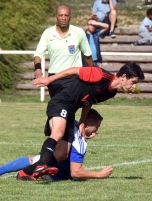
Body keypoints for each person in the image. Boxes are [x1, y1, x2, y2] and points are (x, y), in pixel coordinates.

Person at [16, 62, 145, 180]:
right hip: (62, 102)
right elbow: (74, 70)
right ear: (123, 76)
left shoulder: (111, 93)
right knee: (58, 132)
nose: (134, 87)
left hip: (70, 110)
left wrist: (83, 121)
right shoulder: (100, 75)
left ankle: (24, 174)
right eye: (133, 82)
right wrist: (49, 79)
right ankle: (41, 165)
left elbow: (89, 101)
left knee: (62, 154)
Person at [0, 109, 113, 181]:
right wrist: (99, 174)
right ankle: (30, 174)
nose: (97, 131)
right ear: (87, 124)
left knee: (34, 160)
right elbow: (75, 172)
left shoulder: (70, 126)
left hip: (48, 158)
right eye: (96, 127)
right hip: (52, 174)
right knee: (38, 162)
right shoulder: (80, 143)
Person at [34, 5, 94, 156]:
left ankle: (59, 138)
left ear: (70, 17)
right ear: (56, 17)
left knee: (67, 109)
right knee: (64, 110)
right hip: (54, 80)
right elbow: (38, 53)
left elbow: (88, 56)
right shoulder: (48, 33)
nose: (63, 18)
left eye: (66, 15)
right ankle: (61, 139)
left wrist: (93, 74)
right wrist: (37, 69)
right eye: (60, 15)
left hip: (73, 79)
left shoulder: (78, 33)